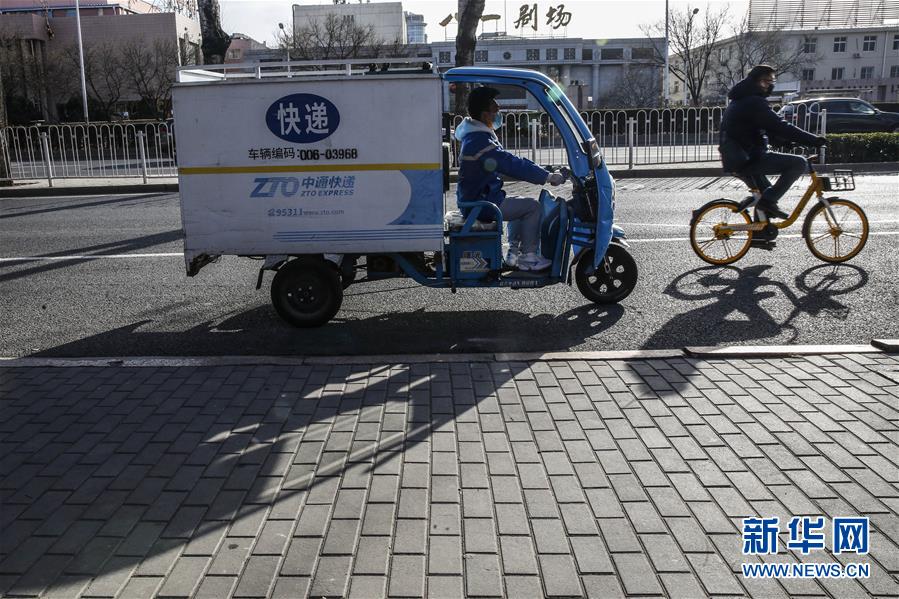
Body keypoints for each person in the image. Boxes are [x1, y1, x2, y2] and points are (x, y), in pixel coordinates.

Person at [455, 86, 565, 271]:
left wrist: (543, 171)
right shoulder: (480, 141)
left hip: (478, 199)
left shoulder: (475, 136)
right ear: (485, 115)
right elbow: (511, 164)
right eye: (494, 109)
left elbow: (508, 161)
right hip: (481, 204)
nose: (498, 112)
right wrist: (548, 176)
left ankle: (513, 254)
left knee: (519, 203)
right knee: (532, 207)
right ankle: (528, 258)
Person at [719, 64, 826, 221]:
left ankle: (761, 230)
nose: (769, 85)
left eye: (771, 81)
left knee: (765, 194)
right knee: (798, 164)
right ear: (755, 81)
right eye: (765, 81)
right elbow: (779, 125)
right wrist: (813, 140)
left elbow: (761, 128)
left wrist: (785, 143)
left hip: (739, 157)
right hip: (746, 158)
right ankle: (766, 203)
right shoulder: (753, 101)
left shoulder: (743, 98)